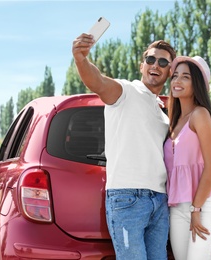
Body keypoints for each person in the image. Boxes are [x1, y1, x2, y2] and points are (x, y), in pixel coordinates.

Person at [72, 33, 176, 259]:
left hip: (160, 200)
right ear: (142, 65)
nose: (155, 65)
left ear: (169, 71)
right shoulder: (125, 91)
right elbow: (96, 81)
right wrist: (81, 59)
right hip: (128, 198)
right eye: (150, 60)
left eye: (163, 62)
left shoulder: (162, 111)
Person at [163, 56, 211, 260]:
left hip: (204, 206)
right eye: (175, 76)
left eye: (185, 77)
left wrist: (196, 209)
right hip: (178, 208)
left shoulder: (200, 114)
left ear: (197, 83)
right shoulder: (174, 122)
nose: (177, 81)